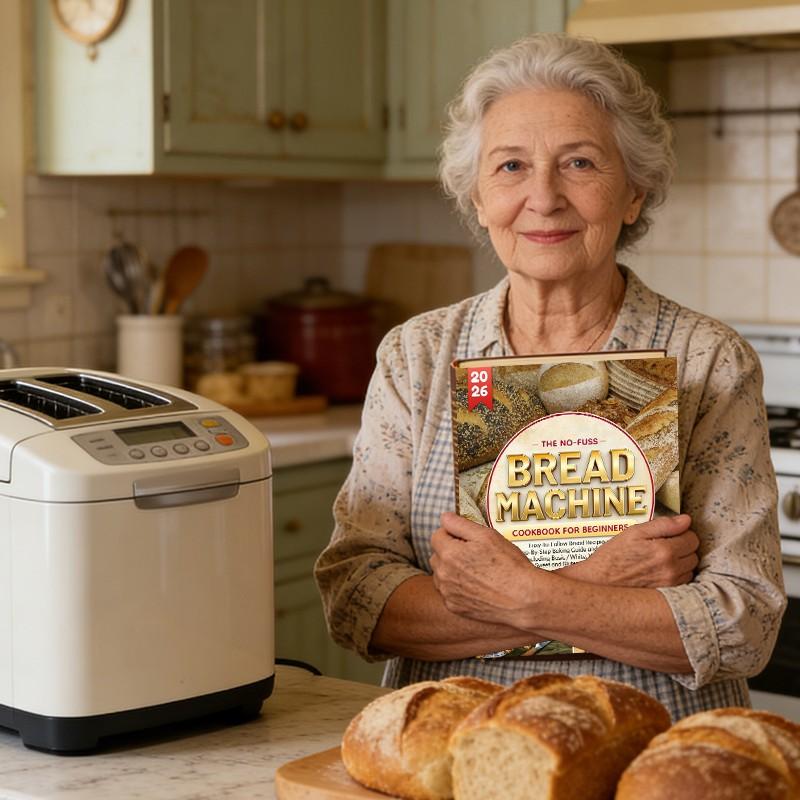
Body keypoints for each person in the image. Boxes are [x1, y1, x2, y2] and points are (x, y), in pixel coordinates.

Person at [314, 33, 785, 720]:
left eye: (581, 162)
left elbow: (744, 625)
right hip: (452, 750)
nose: (543, 197)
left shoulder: (708, 359)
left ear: (633, 192)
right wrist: (596, 585)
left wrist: (525, 595)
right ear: (477, 197)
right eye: (509, 166)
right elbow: (357, 600)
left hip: (648, 757)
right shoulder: (417, 356)